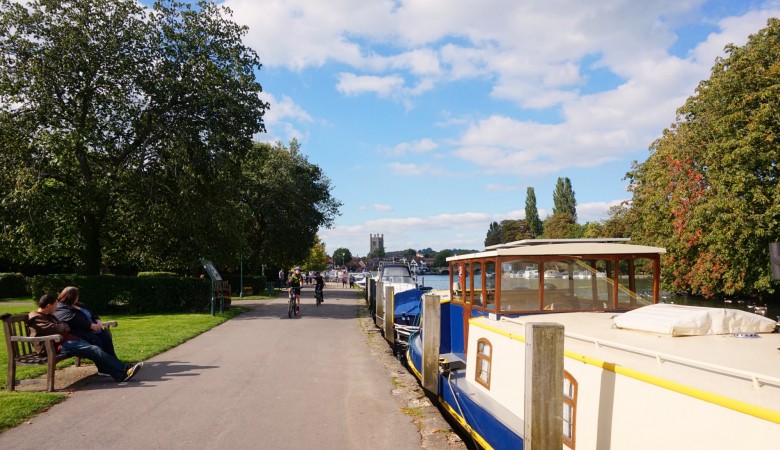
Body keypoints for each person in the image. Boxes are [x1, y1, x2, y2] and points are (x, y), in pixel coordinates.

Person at [27, 294, 142, 383]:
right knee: (94, 350)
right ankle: (125, 368)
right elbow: (55, 329)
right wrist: (61, 327)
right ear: (48, 305)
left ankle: (120, 375)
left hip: (67, 341)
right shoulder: (36, 318)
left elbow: (65, 327)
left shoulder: (49, 315)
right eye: (55, 304)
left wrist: (61, 327)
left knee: (95, 349)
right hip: (56, 346)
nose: (56, 307)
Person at [54, 286, 116, 357]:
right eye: (77, 295)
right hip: (83, 332)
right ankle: (106, 362)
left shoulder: (80, 304)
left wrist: (97, 319)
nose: (78, 297)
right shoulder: (61, 307)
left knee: (106, 337)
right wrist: (90, 325)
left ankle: (113, 360)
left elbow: (92, 313)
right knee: (97, 341)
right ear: (71, 297)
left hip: (95, 329)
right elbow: (73, 319)